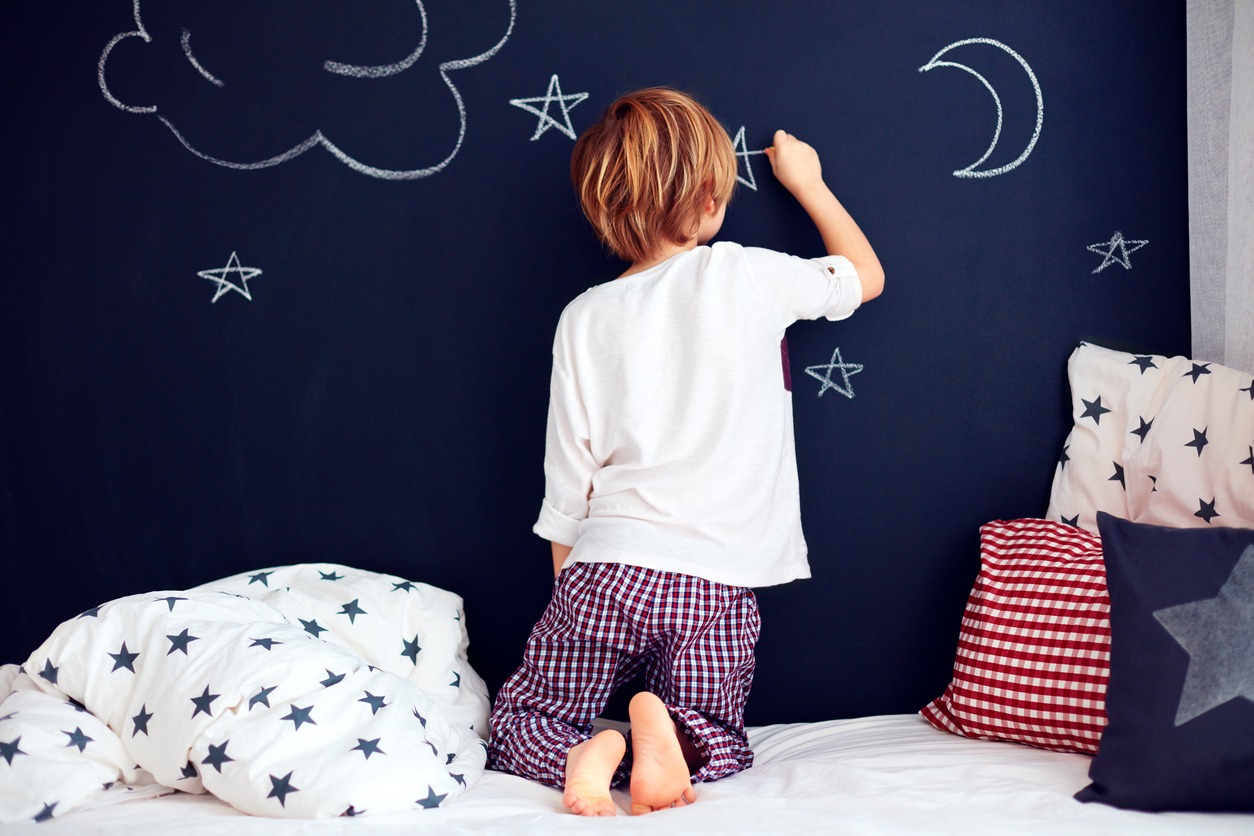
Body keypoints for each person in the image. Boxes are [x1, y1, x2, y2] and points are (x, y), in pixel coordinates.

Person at [486, 87, 884, 817]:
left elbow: (566, 477)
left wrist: (570, 600)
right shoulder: (744, 273)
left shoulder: (582, 317)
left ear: (605, 208)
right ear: (710, 196)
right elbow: (865, 276)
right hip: (714, 580)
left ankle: (585, 750)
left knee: (518, 726)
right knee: (721, 739)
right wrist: (808, 183)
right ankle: (664, 735)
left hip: (605, 565)